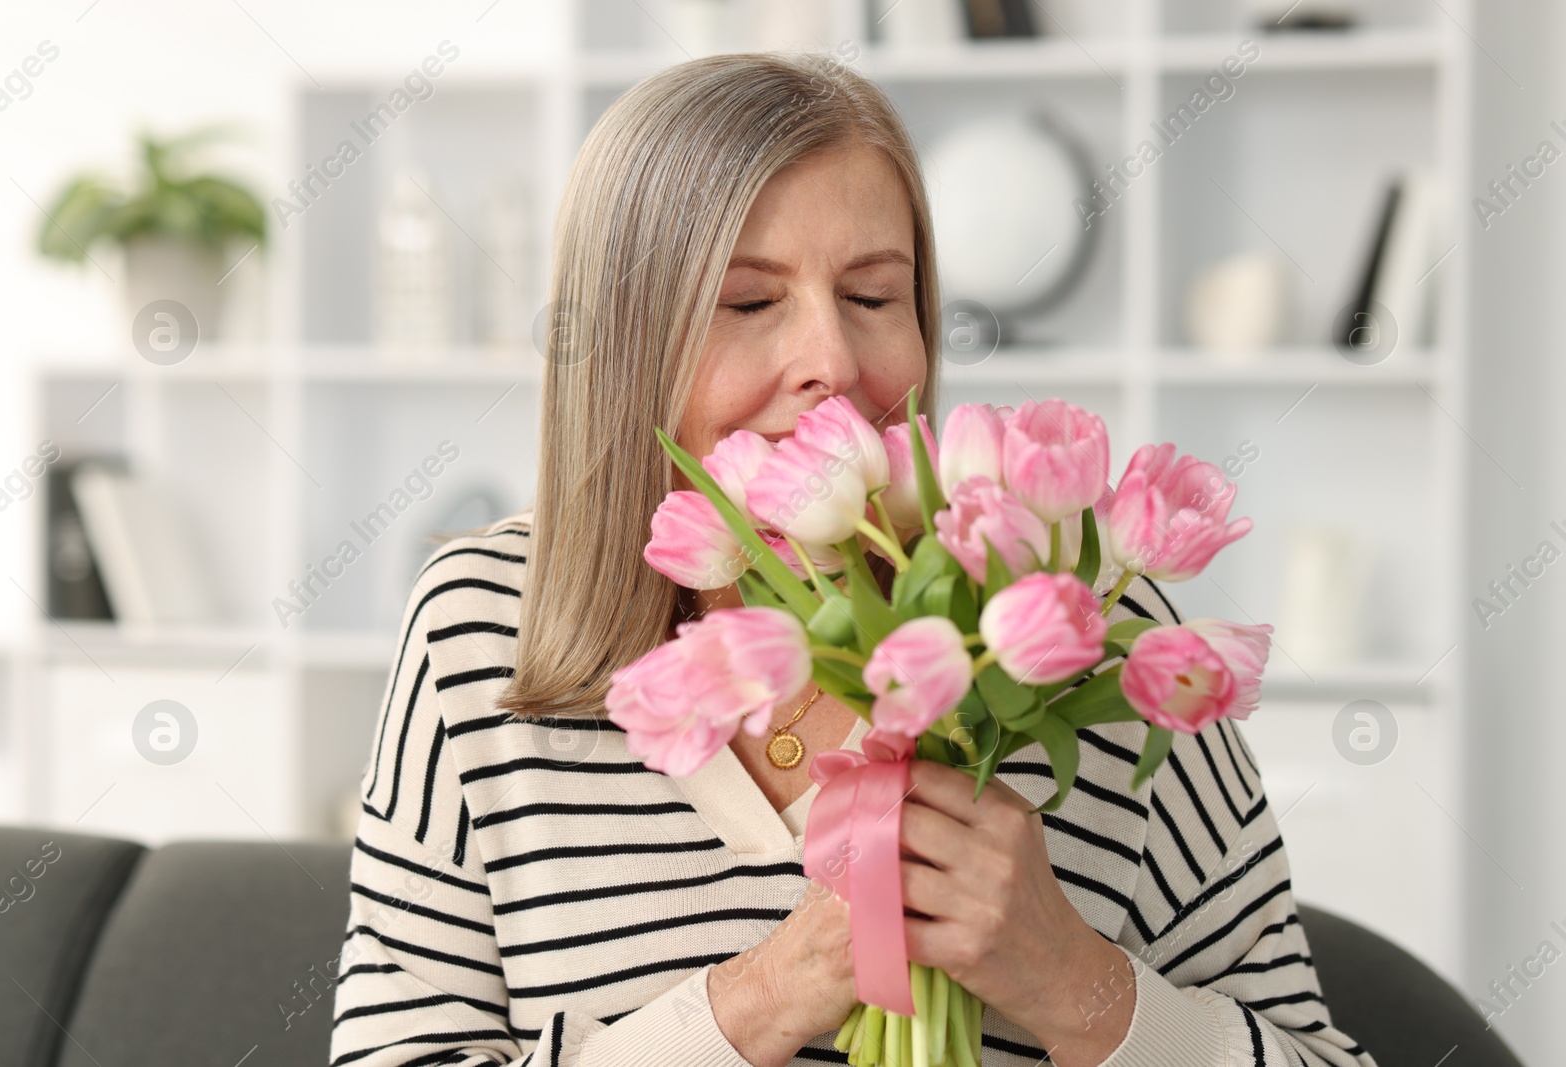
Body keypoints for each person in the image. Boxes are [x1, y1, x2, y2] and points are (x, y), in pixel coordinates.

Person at [328, 51, 1376, 1067]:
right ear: (623, 345)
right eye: (748, 301)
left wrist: (1071, 980)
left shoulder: (1085, 619)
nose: (832, 361)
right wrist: (761, 999)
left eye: (874, 297)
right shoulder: (480, 625)